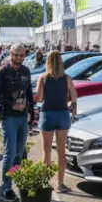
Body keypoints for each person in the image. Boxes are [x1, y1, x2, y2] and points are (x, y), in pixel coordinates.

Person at [0, 45, 35, 202]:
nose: (18, 58)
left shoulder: (26, 71)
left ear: (24, 55)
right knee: (10, 153)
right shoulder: (2, 72)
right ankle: (6, 188)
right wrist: (11, 105)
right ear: (10, 54)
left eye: (21, 55)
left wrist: (31, 111)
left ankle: (17, 182)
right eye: (16, 55)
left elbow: (29, 92)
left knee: (19, 153)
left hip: (23, 117)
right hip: (9, 117)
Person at [36, 50, 79, 192]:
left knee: (46, 151)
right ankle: (60, 183)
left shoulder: (43, 78)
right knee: (61, 151)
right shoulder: (67, 78)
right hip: (62, 114)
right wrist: (72, 106)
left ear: (47, 62)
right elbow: (74, 97)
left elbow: (39, 98)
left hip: (47, 114)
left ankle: (45, 183)